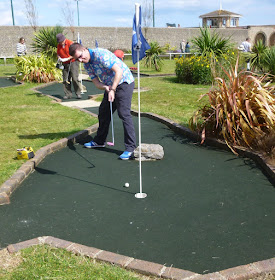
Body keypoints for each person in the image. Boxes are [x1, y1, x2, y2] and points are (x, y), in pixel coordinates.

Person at [69, 43, 136, 160]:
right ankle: (100, 141)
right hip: (110, 85)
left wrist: (113, 89)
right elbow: (96, 83)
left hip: (124, 81)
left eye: (80, 56)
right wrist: (105, 87)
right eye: (77, 59)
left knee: (123, 113)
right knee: (104, 112)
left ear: (84, 49)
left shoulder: (101, 55)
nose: (80, 60)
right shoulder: (87, 65)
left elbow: (119, 72)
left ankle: (131, 148)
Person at [56, 33, 82, 100]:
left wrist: (67, 58)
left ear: (64, 39)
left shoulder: (70, 43)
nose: (60, 43)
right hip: (65, 64)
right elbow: (58, 53)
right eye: (59, 42)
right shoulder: (59, 45)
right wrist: (59, 58)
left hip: (73, 62)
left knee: (74, 78)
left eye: (61, 41)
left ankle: (78, 93)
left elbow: (75, 54)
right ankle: (68, 94)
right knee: (65, 79)